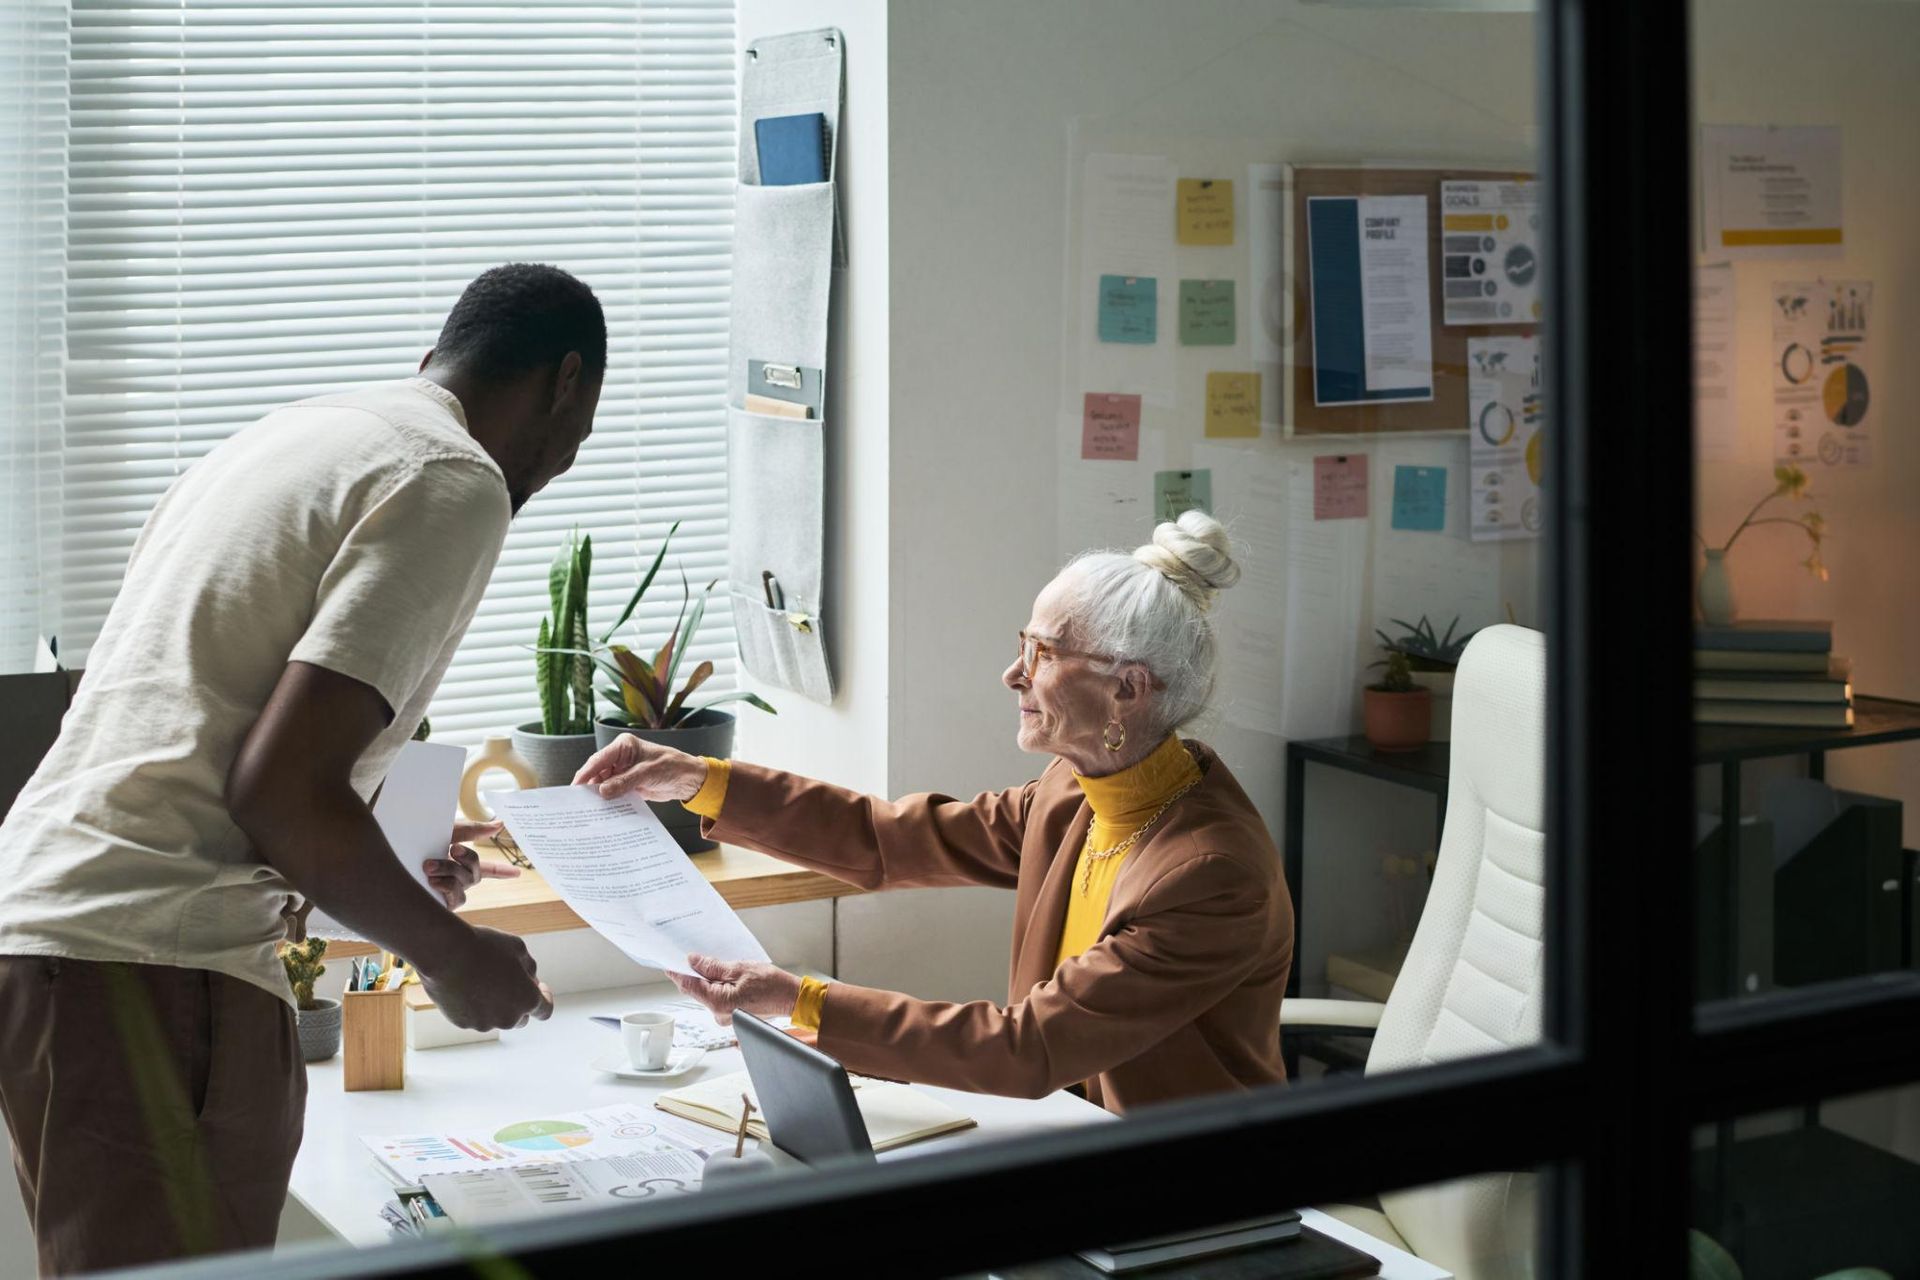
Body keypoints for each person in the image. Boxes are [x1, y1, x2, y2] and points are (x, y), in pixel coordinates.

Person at [0, 262, 602, 1274]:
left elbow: (195, 733)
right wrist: (454, 955)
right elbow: (278, 789)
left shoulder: (289, 438)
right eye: (575, 441)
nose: (559, 468)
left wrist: (387, 872)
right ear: (566, 384)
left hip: (60, 938)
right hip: (157, 965)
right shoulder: (453, 479)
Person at [576, 511, 1293, 1114]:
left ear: (1128, 690)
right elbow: (891, 840)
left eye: (1043, 654)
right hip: (1069, 1147)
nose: (1013, 674)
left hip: (1198, 1197)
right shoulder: (1074, 794)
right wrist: (697, 778)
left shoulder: (1210, 875)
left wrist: (804, 1000)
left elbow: (1029, 1047)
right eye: (1023, 645)